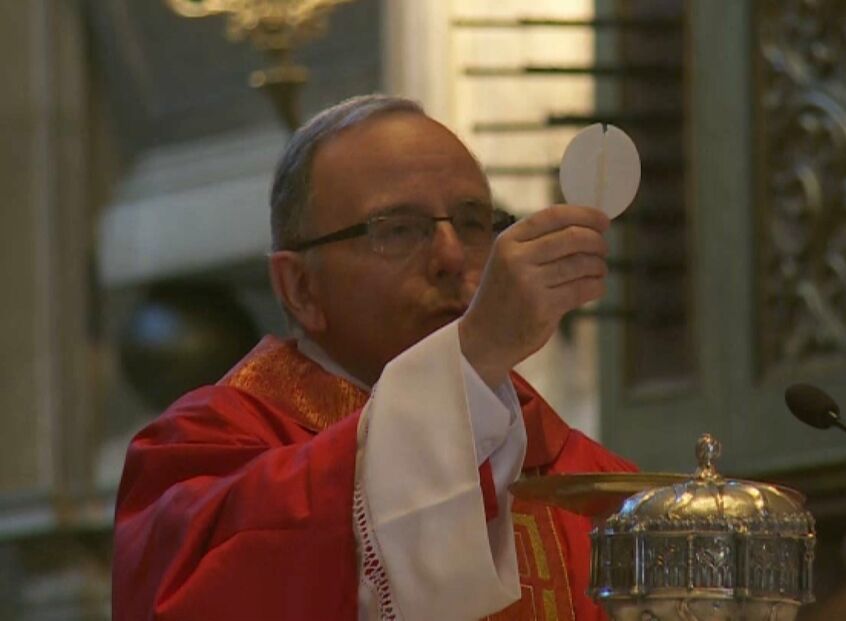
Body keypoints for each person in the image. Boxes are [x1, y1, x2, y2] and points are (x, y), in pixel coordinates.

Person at [112, 94, 637, 621]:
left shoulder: (584, 480)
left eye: (474, 222)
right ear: (299, 288)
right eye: (397, 229)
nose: (452, 257)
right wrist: (471, 357)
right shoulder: (205, 455)